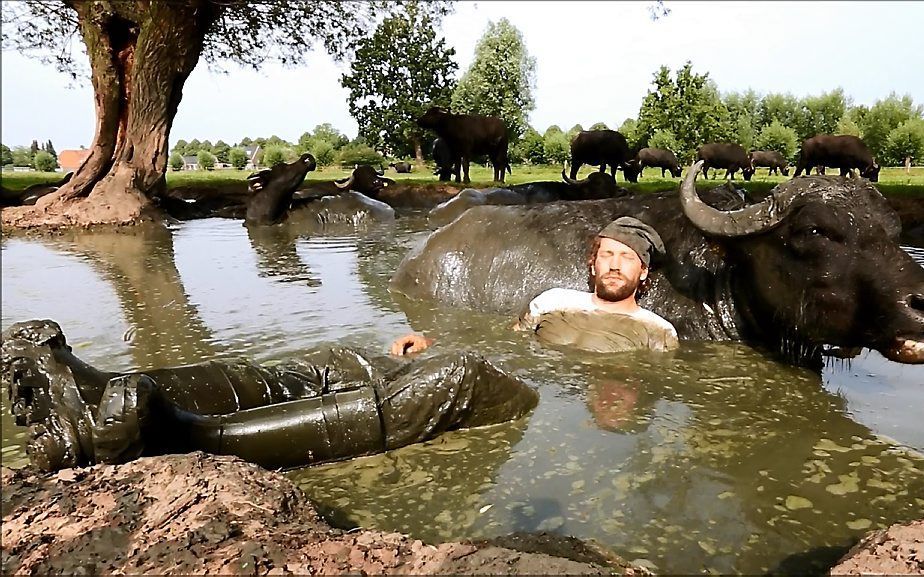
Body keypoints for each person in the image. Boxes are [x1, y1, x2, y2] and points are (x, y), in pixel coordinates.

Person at [391, 216, 677, 355]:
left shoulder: (659, 331)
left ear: (643, 272)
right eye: (607, 255)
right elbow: (500, 341)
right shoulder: (553, 300)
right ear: (593, 265)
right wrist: (431, 343)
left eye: (627, 258)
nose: (615, 265)